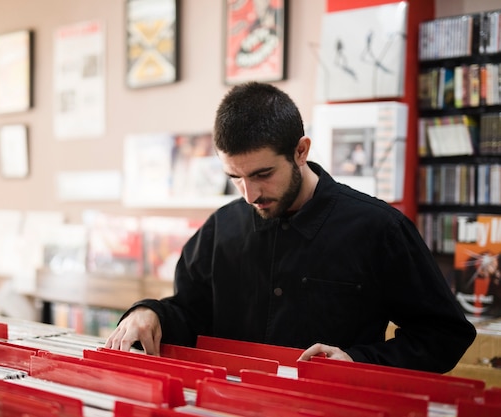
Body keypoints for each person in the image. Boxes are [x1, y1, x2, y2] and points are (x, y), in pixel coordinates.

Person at [105, 81, 476, 373]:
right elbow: (190, 316)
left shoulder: (379, 229)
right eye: (235, 177)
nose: (249, 194)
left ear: (301, 151)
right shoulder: (220, 228)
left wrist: (357, 360)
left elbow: (444, 335)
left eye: (263, 174)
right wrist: (149, 313)